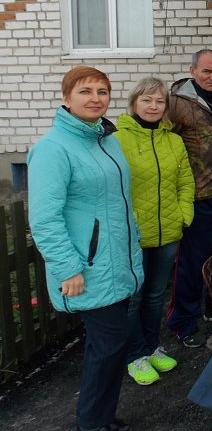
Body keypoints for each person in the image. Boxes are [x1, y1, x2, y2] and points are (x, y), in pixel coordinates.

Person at [28, 66, 143, 431]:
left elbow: (118, 202)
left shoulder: (106, 138)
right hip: (88, 269)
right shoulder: (52, 149)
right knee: (109, 347)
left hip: (117, 262)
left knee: (109, 348)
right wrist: (68, 268)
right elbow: (45, 220)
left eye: (102, 91)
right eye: (85, 91)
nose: (95, 98)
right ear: (66, 98)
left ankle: (100, 418)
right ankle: (92, 424)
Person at [116, 77, 195, 385]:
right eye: (147, 100)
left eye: (159, 101)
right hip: (133, 236)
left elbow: (185, 183)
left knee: (154, 296)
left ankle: (152, 347)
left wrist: (182, 216)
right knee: (133, 298)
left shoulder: (172, 140)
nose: (153, 106)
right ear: (134, 102)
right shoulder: (118, 139)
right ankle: (135, 356)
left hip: (167, 233)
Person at [166, 49, 212, 348]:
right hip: (198, 196)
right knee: (191, 263)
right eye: (207, 71)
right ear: (192, 70)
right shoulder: (176, 104)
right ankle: (183, 320)